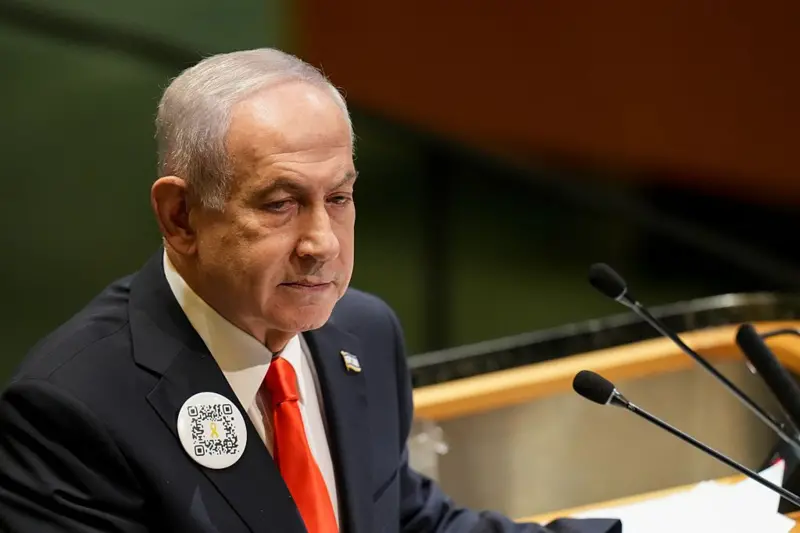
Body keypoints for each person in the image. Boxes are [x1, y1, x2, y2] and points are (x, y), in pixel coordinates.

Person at [0, 49, 620, 533]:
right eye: (280, 204)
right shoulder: (74, 412)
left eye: (339, 198)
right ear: (181, 217)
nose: (321, 241)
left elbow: (408, 523)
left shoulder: (365, 333)